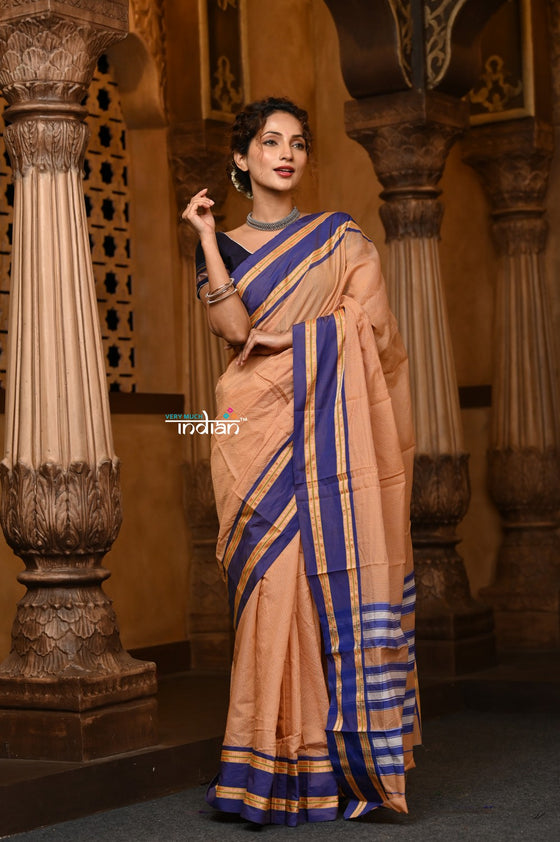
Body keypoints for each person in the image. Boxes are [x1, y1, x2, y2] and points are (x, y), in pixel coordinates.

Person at [183, 97, 420, 826]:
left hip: (326, 421)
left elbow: (374, 329)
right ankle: (263, 761)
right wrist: (207, 236)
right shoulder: (223, 243)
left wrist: (295, 340)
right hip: (250, 428)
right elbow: (233, 329)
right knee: (269, 585)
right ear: (242, 158)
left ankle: (327, 761)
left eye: (297, 143)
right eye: (270, 142)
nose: (286, 154)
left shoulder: (339, 239)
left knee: (318, 584)